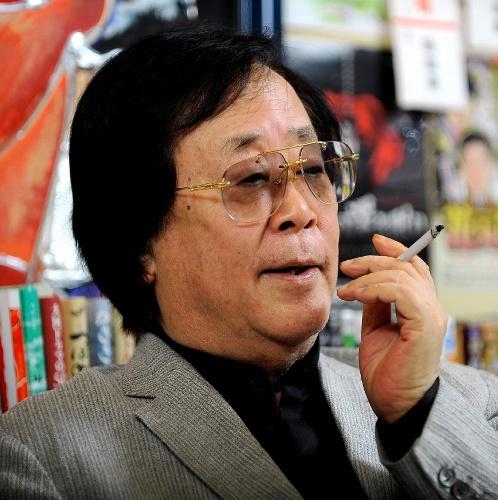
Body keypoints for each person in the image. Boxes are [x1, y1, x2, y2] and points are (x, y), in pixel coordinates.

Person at [1, 24, 497, 500]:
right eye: (252, 179)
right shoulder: (41, 457)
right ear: (140, 240)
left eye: (312, 169)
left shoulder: (470, 404)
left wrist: (414, 414)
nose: (301, 210)